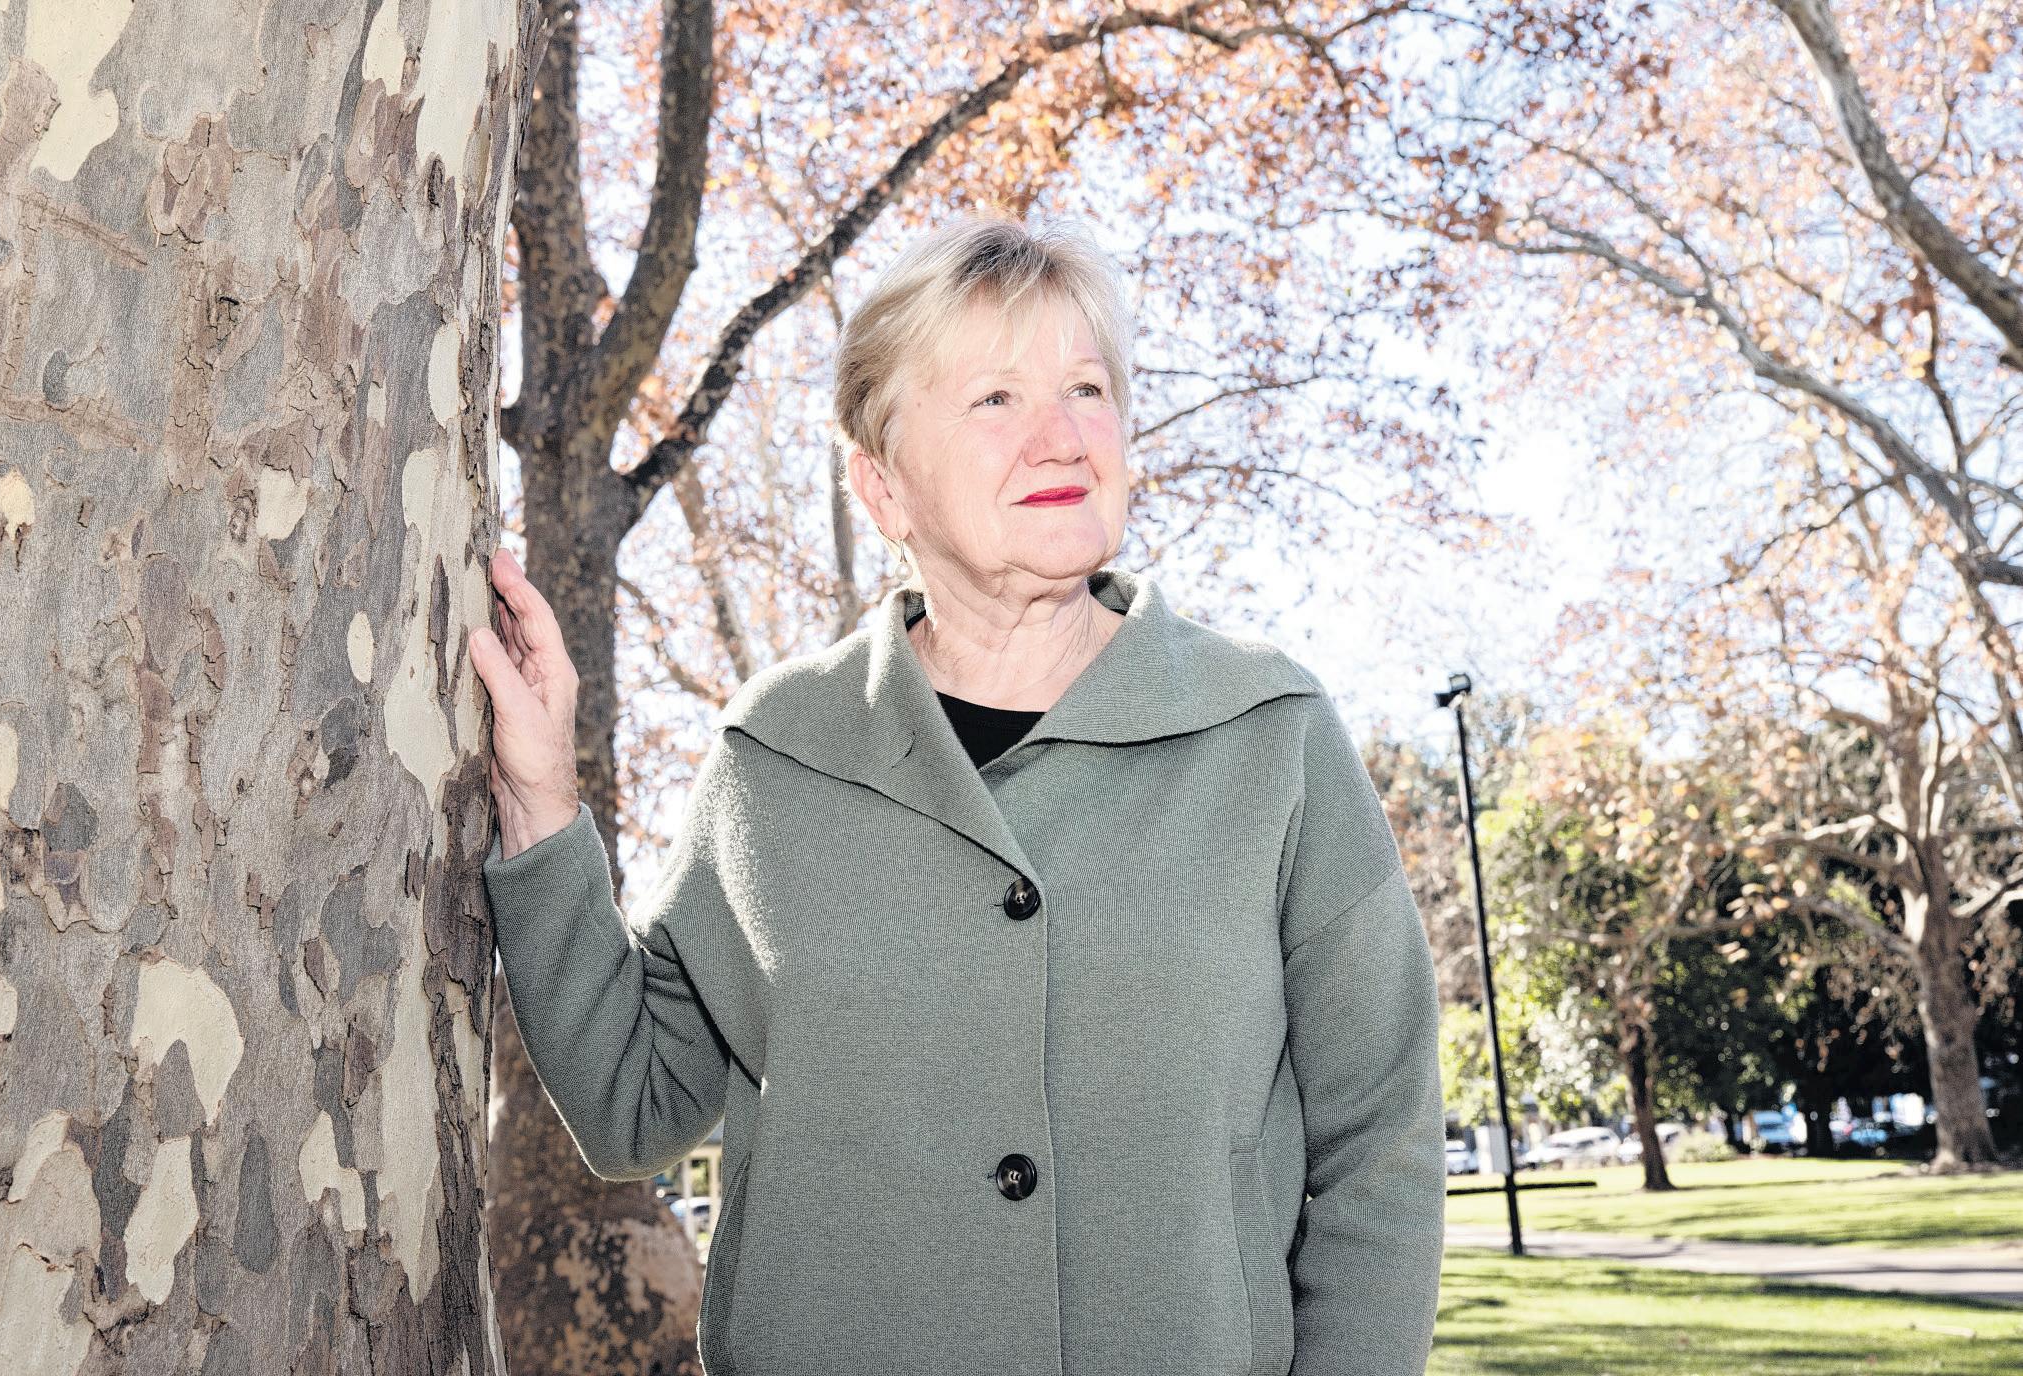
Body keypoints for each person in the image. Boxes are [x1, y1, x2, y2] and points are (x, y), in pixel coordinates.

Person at [468, 215, 1444, 1376]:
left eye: (1087, 388)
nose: (1061, 435)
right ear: (883, 487)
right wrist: (539, 803)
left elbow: (1380, 1141)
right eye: (994, 398)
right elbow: (634, 1103)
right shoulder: (777, 753)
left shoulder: (1269, 734)